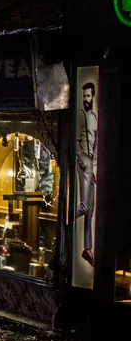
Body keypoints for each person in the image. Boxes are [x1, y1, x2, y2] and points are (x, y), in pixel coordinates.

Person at [75, 81, 98, 267]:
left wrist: (94, 167)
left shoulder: (95, 117)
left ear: (93, 96)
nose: (85, 99)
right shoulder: (80, 115)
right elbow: (75, 140)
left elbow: (96, 144)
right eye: (84, 96)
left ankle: (87, 249)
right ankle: (65, 221)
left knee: (90, 209)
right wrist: (82, 160)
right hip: (83, 160)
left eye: (88, 96)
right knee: (83, 206)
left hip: (91, 162)